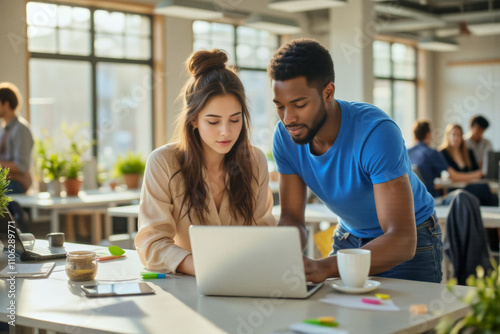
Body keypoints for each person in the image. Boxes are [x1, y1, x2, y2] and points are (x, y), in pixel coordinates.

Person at [268, 38, 441, 283]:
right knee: (338, 320)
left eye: (299, 104)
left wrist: (326, 267)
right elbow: (292, 219)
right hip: (350, 236)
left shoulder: (376, 133)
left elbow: (402, 239)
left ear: (328, 92)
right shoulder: (285, 137)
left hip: (409, 241)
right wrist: (278, 255)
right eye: (280, 107)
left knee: (408, 320)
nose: (288, 118)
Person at [135, 49, 276, 275]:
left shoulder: (254, 160)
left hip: (244, 281)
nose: (226, 132)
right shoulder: (163, 162)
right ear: (193, 120)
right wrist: (207, 268)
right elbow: (151, 245)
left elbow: (263, 234)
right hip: (189, 286)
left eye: (235, 119)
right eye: (213, 121)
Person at [408, 120, 482, 200]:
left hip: (412, 201)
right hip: (431, 200)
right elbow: (453, 176)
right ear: (428, 134)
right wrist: (478, 174)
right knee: (462, 196)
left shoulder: (406, 153)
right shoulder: (432, 153)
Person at [439, 123, 498, 207]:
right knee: (484, 189)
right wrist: (472, 176)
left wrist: (465, 176)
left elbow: (479, 173)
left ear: (462, 137)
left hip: (469, 186)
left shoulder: (468, 152)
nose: (456, 138)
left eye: (458, 135)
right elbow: (454, 177)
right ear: (448, 136)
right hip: (453, 189)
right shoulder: (442, 153)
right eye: (453, 134)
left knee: (493, 196)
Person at [0, 82, 33, 194]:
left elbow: (21, 166)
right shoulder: (3, 130)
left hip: (16, 183)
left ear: (6, 104)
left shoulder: (20, 129)